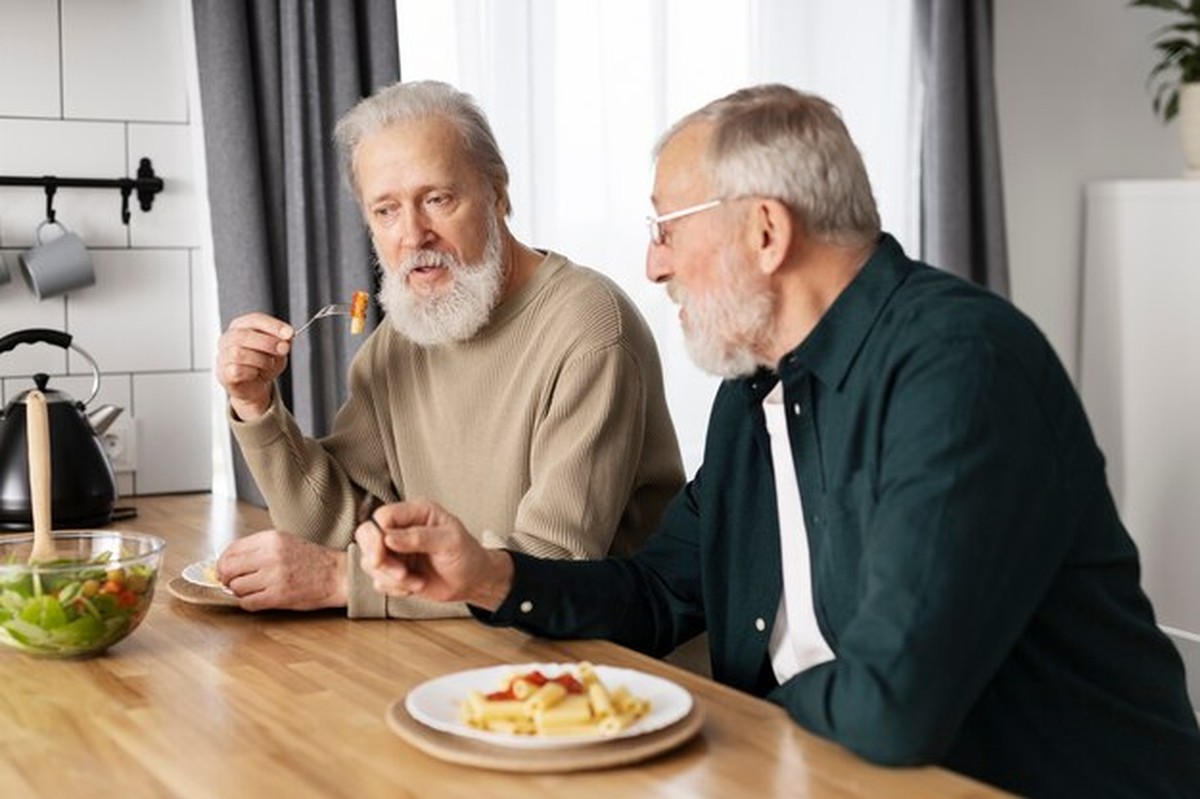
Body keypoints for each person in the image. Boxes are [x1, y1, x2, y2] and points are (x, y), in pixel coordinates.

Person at [353, 84, 1200, 797]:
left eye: (667, 228)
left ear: (766, 230)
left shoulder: (959, 370)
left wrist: (709, 717)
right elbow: (657, 591)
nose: (653, 265)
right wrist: (489, 574)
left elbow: (891, 703)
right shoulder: (753, 388)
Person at [214, 80, 684, 618]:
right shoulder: (398, 341)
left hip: (600, 656)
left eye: (437, 200)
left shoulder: (591, 329)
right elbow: (338, 531)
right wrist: (255, 406)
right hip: (457, 645)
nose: (413, 235)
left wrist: (344, 582)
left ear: (498, 193)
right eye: (385, 211)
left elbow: (552, 567)